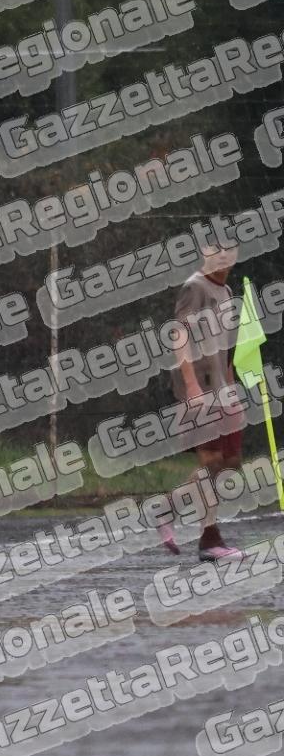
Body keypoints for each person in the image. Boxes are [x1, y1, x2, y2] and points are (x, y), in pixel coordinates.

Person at [158, 237, 245, 562]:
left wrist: (231, 387)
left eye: (228, 251)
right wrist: (192, 385)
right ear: (205, 254)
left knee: (230, 462)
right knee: (211, 463)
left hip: (221, 389)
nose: (223, 257)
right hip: (199, 390)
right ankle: (210, 541)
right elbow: (179, 335)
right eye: (216, 251)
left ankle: (167, 508)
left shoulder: (227, 292)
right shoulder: (194, 287)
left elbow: (225, 348)